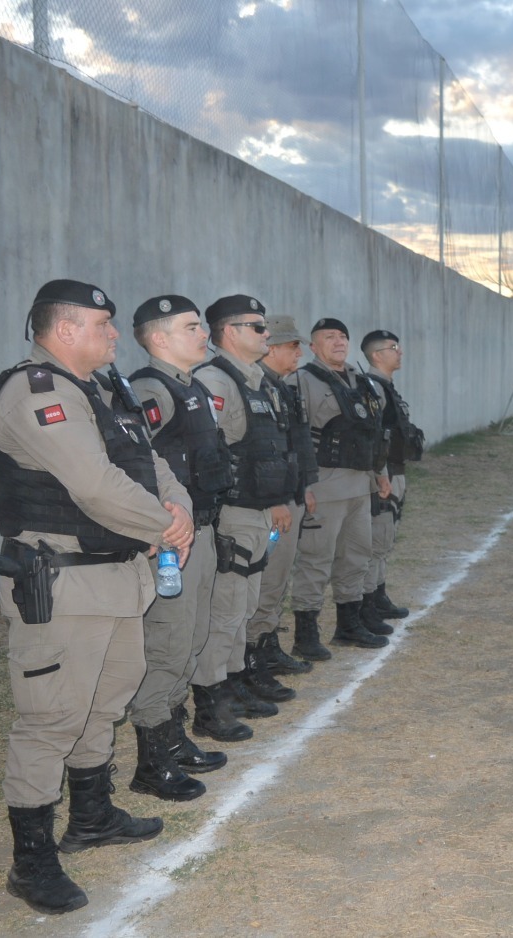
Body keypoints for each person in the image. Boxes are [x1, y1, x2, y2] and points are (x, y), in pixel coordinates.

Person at [0, 279, 194, 914]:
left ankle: (93, 816)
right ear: (65, 330)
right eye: (103, 325)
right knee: (52, 717)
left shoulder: (102, 390)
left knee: (105, 703)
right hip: (64, 582)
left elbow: (150, 463)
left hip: (115, 576)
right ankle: (32, 861)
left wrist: (178, 509)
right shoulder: (35, 391)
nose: (113, 336)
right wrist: (166, 525)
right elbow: (95, 485)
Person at [125, 294, 234, 802]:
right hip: (172, 543)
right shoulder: (149, 390)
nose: (203, 334)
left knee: (190, 639)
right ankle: (152, 759)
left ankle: (174, 736)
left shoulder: (189, 386)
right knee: (167, 643)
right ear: (159, 338)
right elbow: (131, 463)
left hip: (202, 533)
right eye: (192, 327)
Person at [193, 295, 297, 729]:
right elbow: (207, 452)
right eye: (257, 327)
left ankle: (232, 681)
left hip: (254, 510)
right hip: (233, 512)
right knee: (227, 609)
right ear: (230, 332)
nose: (266, 334)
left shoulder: (252, 379)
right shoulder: (216, 381)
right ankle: (211, 700)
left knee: (244, 605)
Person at [287, 318, 392, 652]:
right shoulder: (301, 380)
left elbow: (372, 431)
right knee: (316, 560)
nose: (338, 341)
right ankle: (306, 635)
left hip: (361, 486)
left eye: (343, 336)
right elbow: (293, 436)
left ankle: (349, 624)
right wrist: (302, 484)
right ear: (313, 347)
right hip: (324, 488)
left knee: (356, 557)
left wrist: (381, 471)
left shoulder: (361, 381)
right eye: (328, 337)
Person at [247, 316, 322, 668]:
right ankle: (255, 653)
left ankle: (268, 642)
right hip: (269, 502)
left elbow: (299, 443)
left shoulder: (284, 387)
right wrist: (277, 499)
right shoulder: (254, 386)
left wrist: (304, 486)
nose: (300, 352)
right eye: (293, 345)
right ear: (271, 347)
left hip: (289, 495)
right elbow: (261, 451)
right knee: (266, 577)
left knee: (278, 576)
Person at [360, 329, 423, 627]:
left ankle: (379, 593)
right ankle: (367, 602)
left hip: (397, 470)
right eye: (393, 347)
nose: (400, 352)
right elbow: (373, 439)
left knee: (386, 539)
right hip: (384, 475)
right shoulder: (372, 387)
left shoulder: (386, 386)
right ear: (376, 355)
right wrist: (379, 476)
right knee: (376, 540)